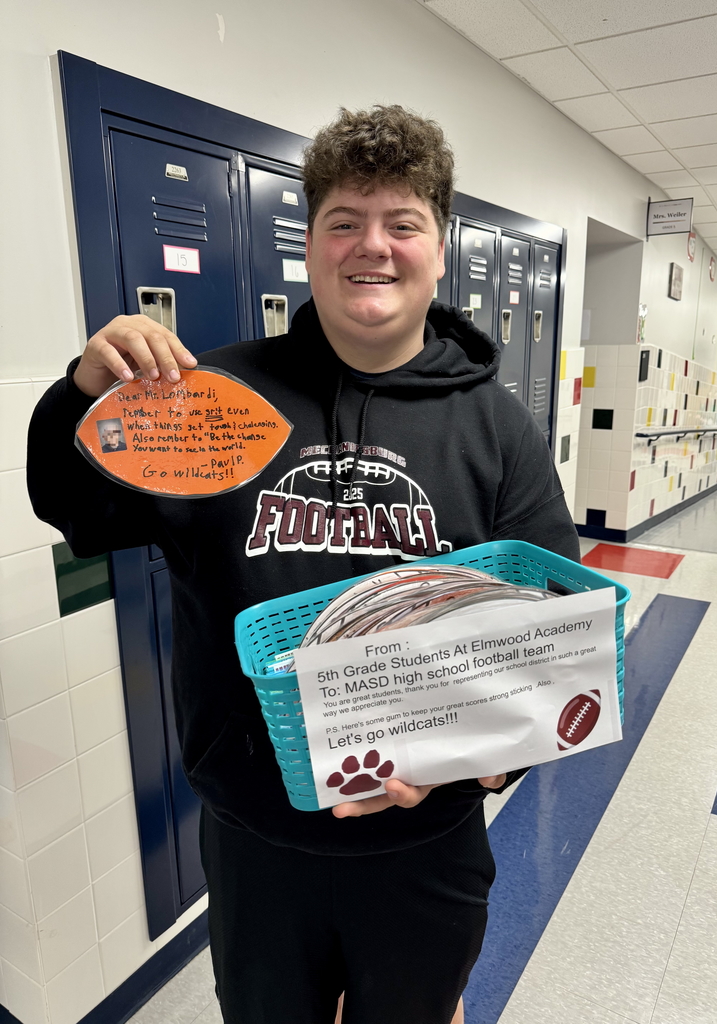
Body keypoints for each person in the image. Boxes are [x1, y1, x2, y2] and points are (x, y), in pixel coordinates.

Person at [28, 105, 580, 1024]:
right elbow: (74, 505)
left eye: (403, 223)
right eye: (345, 222)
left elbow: (551, 625)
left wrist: (476, 763)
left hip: (424, 843)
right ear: (311, 244)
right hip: (257, 845)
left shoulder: (494, 425)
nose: (375, 247)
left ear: (438, 248)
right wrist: (76, 397)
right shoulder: (215, 399)